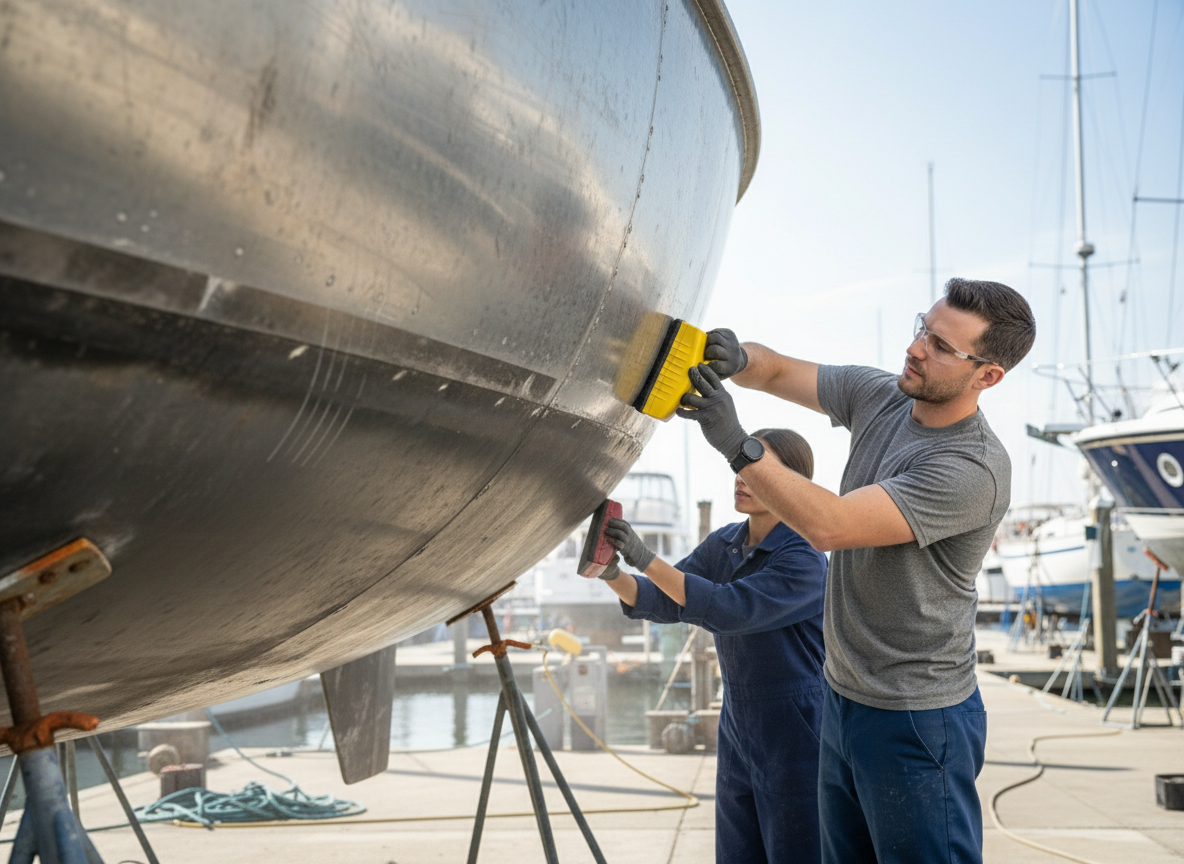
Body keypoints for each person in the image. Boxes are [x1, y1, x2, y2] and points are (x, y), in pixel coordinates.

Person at [677, 278, 1036, 864]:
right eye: (924, 327)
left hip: (917, 717)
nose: (918, 348)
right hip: (842, 699)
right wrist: (737, 358)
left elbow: (832, 525)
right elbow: (774, 372)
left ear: (988, 376)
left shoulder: (970, 466)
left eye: (944, 347)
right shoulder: (884, 395)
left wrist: (739, 446)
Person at [596, 428, 828, 864]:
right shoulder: (724, 542)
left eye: (759, 468)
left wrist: (646, 557)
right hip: (738, 719)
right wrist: (611, 573)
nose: (741, 476)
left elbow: (729, 610)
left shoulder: (805, 556)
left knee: (797, 850)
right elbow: (666, 598)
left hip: (797, 725)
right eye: (740, 465)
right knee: (737, 850)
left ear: (791, 483)